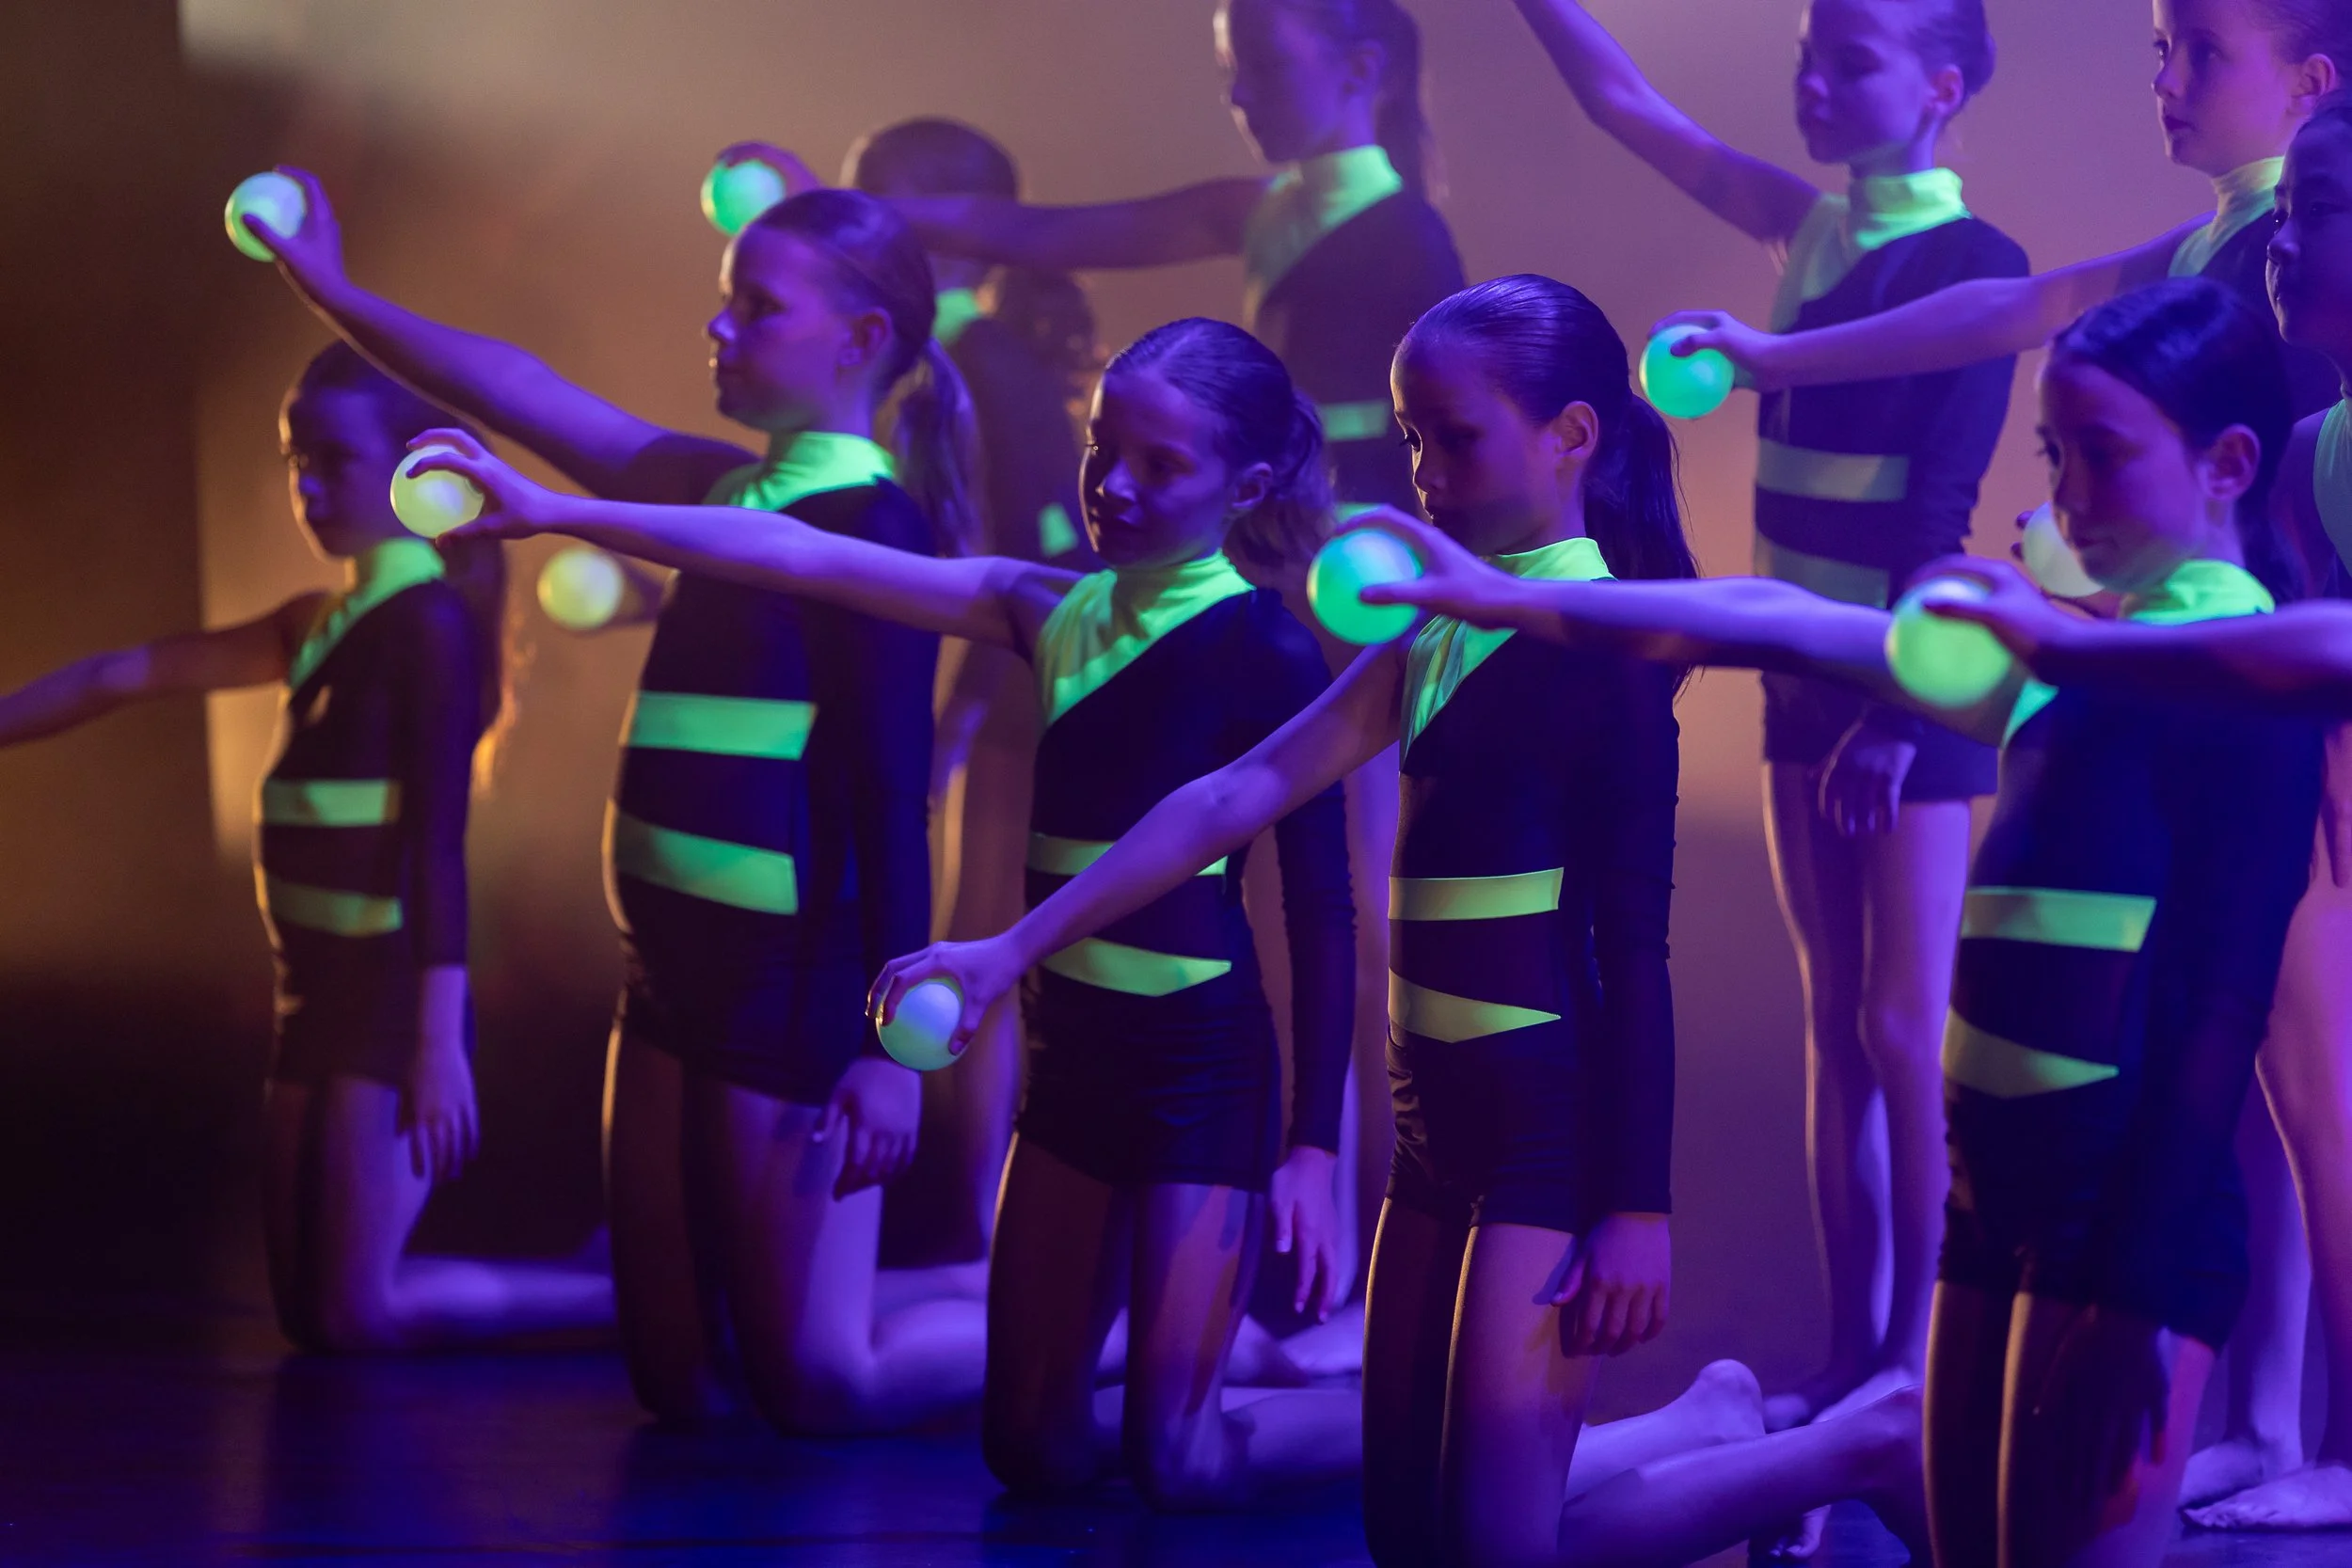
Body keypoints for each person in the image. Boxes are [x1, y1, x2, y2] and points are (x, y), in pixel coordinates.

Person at [868, 277, 1930, 1565]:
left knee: (1493, 1554)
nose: (1423, 473)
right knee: (1410, 1541)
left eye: (1455, 438)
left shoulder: (1618, 646)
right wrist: (1006, 950)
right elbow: (1235, 789)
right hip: (1433, 1117)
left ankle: (1850, 1445)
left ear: (1571, 436)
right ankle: (1710, 1416)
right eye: (1411, 437)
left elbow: (1629, 956)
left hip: (1545, 1123)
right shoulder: (1433, 631)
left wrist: (1634, 1204)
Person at [1360, 277, 2326, 1566]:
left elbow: (2218, 1013)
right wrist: (1501, 600)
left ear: (2228, 464)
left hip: (2123, 1214)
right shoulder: (2052, 666)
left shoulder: (2232, 686)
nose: (2068, 497)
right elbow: (1784, 620)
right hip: (1997, 1187)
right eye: (2054, 455)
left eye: (2103, 456)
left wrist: (2141, 1293)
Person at [423, 317, 1360, 1507]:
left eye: (1161, 466)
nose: (1114, 487)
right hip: (1073, 1069)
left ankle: (1393, 1422)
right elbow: (793, 557)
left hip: (1201, 1070)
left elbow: (1322, 908)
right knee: (1031, 1449)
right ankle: (1209, 1372)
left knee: (1176, 1463)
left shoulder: (1270, 649)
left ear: (1250, 484)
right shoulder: (1044, 610)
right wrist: (555, 509)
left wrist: (1311, 1149)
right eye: (1100, 450)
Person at [247, 174, 988, 1432]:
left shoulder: (878, 530)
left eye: (757, 308)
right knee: (681, 1383)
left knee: (815, 1382)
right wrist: (331, 288)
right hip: (662, 975)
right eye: (723, 302)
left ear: (861, 340)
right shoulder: (712, 493)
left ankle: (1089, 1316)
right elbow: (513, 387)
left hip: (785, 984)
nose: (721, 328)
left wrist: (891, 1049)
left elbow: (889, 792)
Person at [1512, 0, 2025, 1429]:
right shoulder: (1804, 230)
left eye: (1849, 60)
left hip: (1908, 687)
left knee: (1902, 1022)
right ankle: (1853, 1348)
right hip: (1807, 684)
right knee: (1834, 1024)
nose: (1812, 82)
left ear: (1938, 85)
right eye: (1808, 54)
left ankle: (1922, 1356)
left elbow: (1939, 504)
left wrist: (1902, 712)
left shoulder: (1979, 267)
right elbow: (1637, 112)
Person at [0, 344, 611, 1350]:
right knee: (311, 1310)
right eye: (295, 461)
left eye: (333, 458)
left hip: (385, 995)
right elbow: (120, 673)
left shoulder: (429, 628)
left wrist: (433, 1041)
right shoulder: (315, 623)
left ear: (417, 473)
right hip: (311, 993)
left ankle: (601, 1295)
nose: (309, 485)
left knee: (355, 1311)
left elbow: (437, 845)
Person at [845, 118, 1099, 1270]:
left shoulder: (974, 367)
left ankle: (995, 1225)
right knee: (986, 941)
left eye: (872, 208)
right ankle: (980, 1217)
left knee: (991, 944)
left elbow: (1027, 567)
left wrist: (956, 722)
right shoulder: (934, 364)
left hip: (1038, 686)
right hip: (1010, 683)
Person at [1661, 0, 2345, 419]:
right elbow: (2013, 308)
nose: (2165, 80)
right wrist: (1778, 358)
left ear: (2309, 83)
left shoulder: (2283, 254)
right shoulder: (2210, 245)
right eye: (2163, 49)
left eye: (2206, 52)